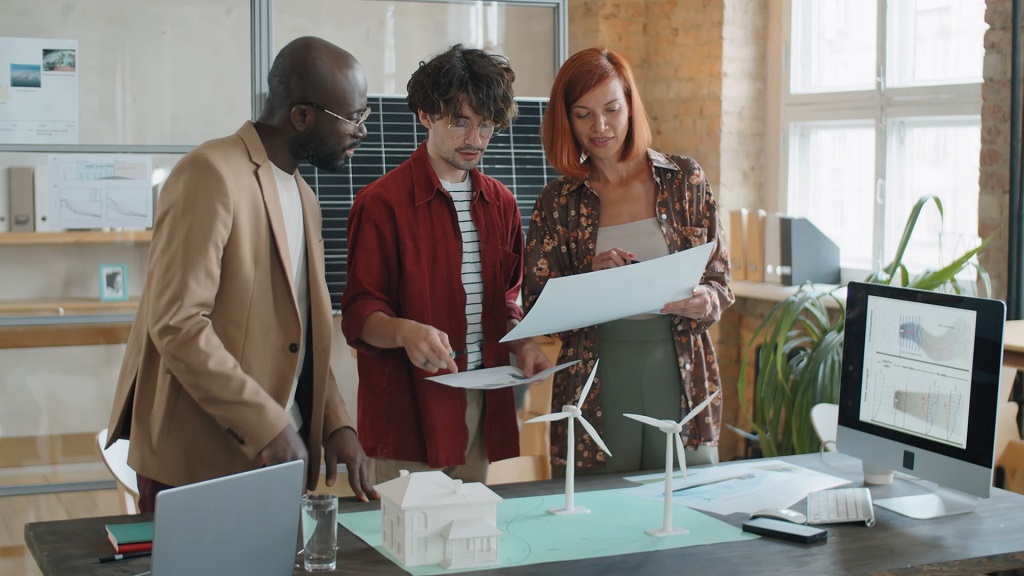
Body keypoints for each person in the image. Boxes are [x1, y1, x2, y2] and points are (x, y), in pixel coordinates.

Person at [104, 36, 377, 512]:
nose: (362, 131)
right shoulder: (209, 173)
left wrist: (337, 424)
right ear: (301, 117)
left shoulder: (304, 197)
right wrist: (266, 423)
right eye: (353, 118)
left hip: (273, 460)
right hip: (196, 465)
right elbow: (178, 323)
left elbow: (304, 334)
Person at [341, 44, 552, 484]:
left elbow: (505, 299)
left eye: (486, 126)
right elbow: (360, 315)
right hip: (409, 410)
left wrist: (521, 344)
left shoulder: (503, 204)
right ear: (425, 115)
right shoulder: (381, 204)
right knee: (404, 547)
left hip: (483, 402)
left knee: (471, 542)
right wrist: (404, 331)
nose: (474, 139)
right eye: (459, 122)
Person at [523, 47, 734, 475]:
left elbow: (720, 280)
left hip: (680, 365)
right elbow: (535, 302)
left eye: (612, 109)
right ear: (567, 120)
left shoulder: (684, 180)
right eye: (583, 114)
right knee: (598, 513)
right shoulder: (557, 202)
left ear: (630, 107)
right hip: (595, 370)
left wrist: (704, 300)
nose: (600, 126)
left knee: (689, 502)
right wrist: (589, 279)